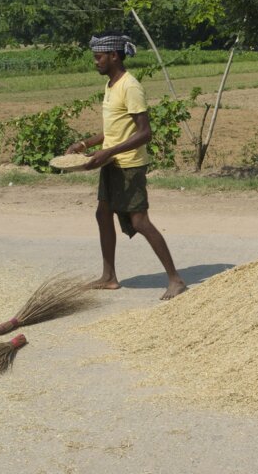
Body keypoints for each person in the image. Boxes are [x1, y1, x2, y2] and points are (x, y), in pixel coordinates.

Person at [65, 31, 186, 300]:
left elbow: (145, 133)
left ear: (114, 56)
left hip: (129, 165)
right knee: (102, 214)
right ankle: (109, 277)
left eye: (99, 57)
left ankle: (175, 279)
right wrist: (84, 144)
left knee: (139, 221)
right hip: (112, 162)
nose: (95, 62)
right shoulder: (111, 86)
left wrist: (108, 152)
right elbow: (113, 130)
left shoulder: (130, 86)